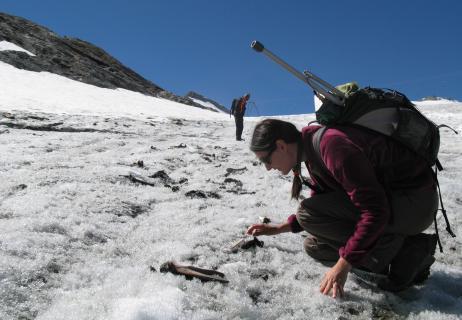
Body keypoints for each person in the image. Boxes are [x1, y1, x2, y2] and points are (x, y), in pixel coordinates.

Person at [246, 119, 438, 298]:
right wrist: (280, 228)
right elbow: (326, 201)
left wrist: (345, 263)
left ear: (281, 146)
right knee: (314, 246)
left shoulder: (332, 146)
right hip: (396, 202)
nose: (268, 168)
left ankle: (407, 251)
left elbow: (375, 211)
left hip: (415, 204)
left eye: (266, 160)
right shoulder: (312, 152)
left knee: (307, 214)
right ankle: (384, 253)